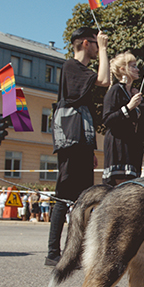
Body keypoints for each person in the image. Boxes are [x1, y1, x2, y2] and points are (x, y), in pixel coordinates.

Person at [46, 27, 110, 266]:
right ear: (85, 43)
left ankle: (76, 249)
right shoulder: (71, 67)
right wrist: (104, 50)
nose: (97, 47)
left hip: (81, 139)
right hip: (70, 138)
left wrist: (91, 149)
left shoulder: (81, 70)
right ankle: (53, 252)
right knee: (64, 195)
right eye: (94, 43)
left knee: (84, 197)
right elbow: (104, 80)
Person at [102, 52, 144, 186]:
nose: (138, 69)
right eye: (133, 66)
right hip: (119, 147)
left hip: (132, 146)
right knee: (121, 185)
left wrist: (141, 104)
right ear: (123, 69)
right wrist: (129, 107)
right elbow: (107, 119)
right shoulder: (115, 90)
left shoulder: (131, 92)